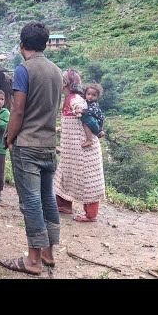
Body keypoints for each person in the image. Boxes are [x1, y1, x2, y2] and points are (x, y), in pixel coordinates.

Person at [0, 22, 63, 275]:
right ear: (46, 44)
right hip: (49, 145)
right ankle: (48, 253)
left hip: (27, 145)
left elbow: (18, 110)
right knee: (48, 197)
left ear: (22, 44)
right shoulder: (56, 71)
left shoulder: (23, 70)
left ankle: (33, 260)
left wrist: (9, 138)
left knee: (31, 202)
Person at [54, 70, 106, 222]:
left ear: (64, 83)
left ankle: (90, 215)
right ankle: (65, 206)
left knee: (88, 181)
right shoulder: (69, 98)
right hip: (72, 152)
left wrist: (80, 110)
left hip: (84, 151)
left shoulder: (75, 99)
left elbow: (84, 111)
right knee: (65, 177)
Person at [80, 83, 105, 148]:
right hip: (99, 121)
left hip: (98, 122)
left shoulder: (94, 104)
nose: (90, 96)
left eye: (94, 95)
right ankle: (100, 132)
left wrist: (81, 111)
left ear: (97, 96)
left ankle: (89, 140)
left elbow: (91, 111)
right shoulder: (87, 101)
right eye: (88, 94)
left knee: (85, 122)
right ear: (85, 94)